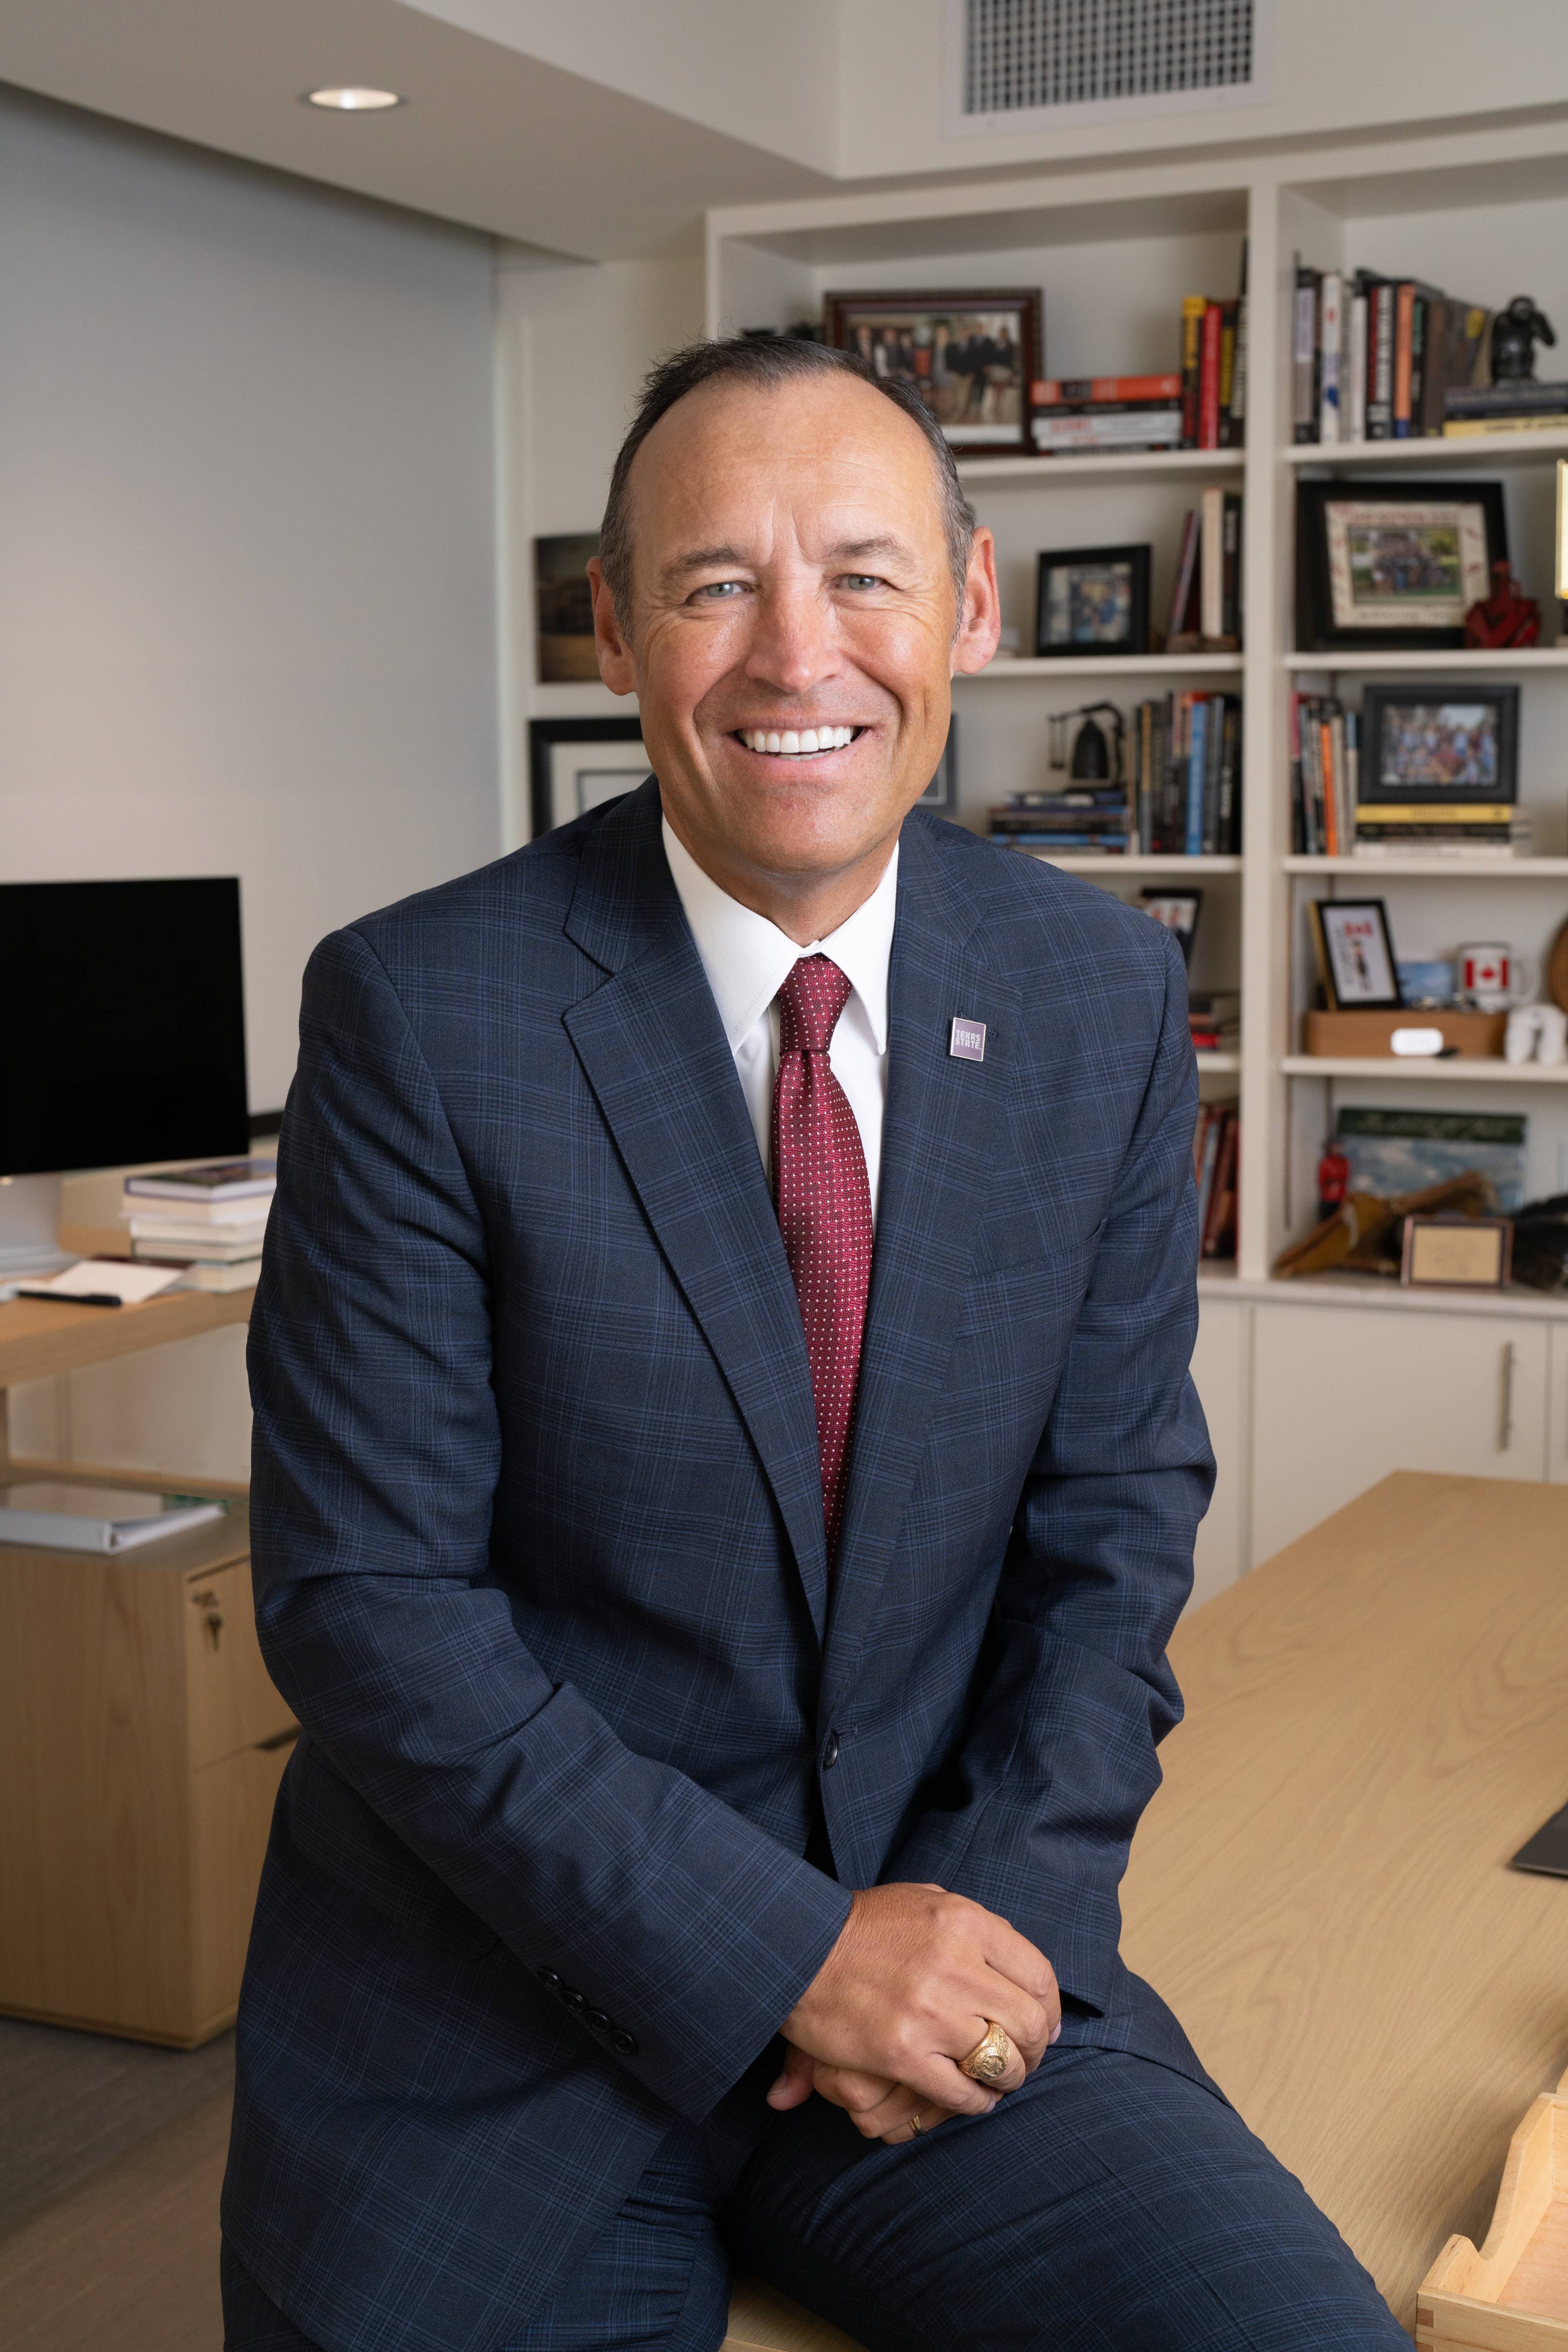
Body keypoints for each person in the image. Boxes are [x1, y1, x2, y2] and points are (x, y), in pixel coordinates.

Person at [222, 335, 1407, 2351]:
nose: (798, 656)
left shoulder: (1097, 994)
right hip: (507, 2010)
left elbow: (1111, 1530)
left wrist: (997, 1927)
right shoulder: (425, 1013)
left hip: (948, 1934)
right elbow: (372, 1607)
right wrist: (788, 1956)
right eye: (715, 585)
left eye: (863, 574)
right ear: (617, 630)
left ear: (972, 603)